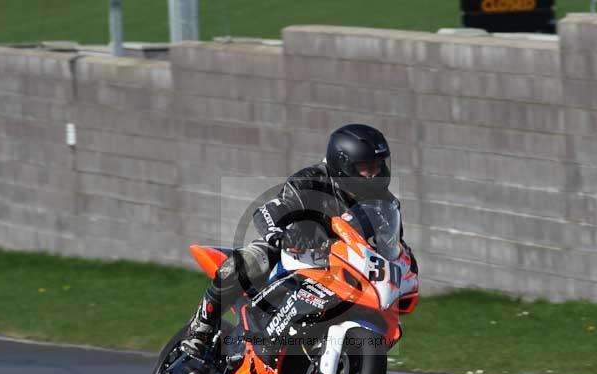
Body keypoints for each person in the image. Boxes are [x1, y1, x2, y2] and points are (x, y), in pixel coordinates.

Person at [178, 123, 418, 360]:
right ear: (343, 165)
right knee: (247, 262)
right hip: (294, 251)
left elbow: (390, 243)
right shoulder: (311, 180)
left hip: (342, 266)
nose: (375, 173)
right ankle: (201, 329)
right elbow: (270, 210)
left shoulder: (386, 203)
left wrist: (405, 263)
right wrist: (279, 233)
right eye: (366, 167)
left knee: (387, 317)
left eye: (379, 165)